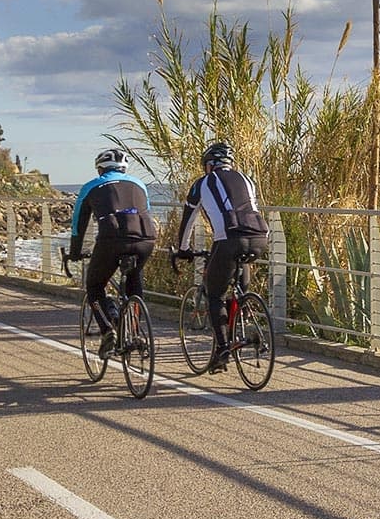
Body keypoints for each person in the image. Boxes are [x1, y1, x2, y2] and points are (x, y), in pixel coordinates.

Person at [173, 141, 270, 373]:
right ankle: (243, 313)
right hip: (259, 236)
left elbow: (188, 219)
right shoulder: (247, 179)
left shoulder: (202, 184)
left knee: (215, 293)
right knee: (239, 285)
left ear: (208, 165)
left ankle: (224, 348)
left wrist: (182, 248)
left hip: (228, 238)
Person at [66, 147, 158, 356]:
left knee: (95, 285)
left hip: (112, 239)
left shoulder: (91, 186)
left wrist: (74, 252)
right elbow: (147, 211)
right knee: (135, 280)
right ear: (124, 168)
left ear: (100, 169)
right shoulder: (139, 184)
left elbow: (78, 225)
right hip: (146, 238)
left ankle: (108, 329)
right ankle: (133, 333)